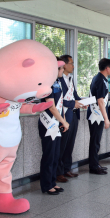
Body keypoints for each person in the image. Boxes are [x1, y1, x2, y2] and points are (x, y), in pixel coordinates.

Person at [38, 58, 69, 195]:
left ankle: (53, 182)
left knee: (56, 154)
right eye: (61, 68)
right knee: (49, 155)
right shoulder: (46, 84)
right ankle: (46, 185)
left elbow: (59, 104)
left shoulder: (57, 83)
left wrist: (62, 120)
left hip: (56, 123)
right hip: (48, 123)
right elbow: (51, 107)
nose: (63, 70)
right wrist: (63, 121)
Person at [57, 55, 83, 182]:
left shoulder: (70, 79)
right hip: (64, 117)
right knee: (62, 145)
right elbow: (59, 100)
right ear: (64, 64)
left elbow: (74, 95)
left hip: (73, 115)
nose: (73, 66)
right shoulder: (58, 79)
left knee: (70, 144)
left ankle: (67, 169)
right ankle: (58, 172)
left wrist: (82, 101)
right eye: (71, 63)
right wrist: (73, 103)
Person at [86, 58, 110, 175]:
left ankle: (95, 163)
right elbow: (100, 101)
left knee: (96, 141)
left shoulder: (101, 78)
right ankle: (93, 166)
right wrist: (106, 119)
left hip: (97, 115)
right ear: (107, 68)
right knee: (95, 141)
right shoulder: (100, 80)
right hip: (96, 116)